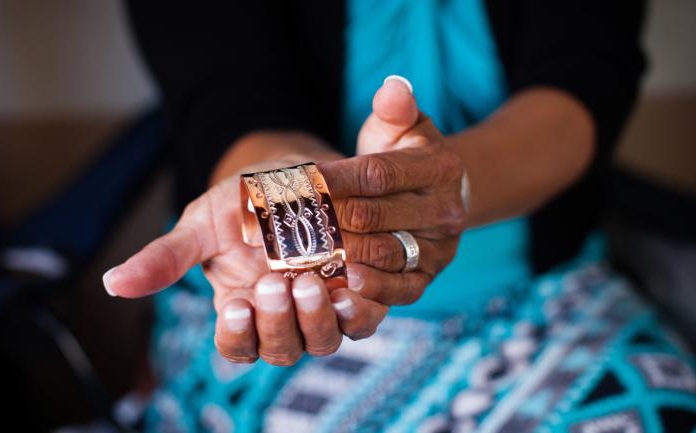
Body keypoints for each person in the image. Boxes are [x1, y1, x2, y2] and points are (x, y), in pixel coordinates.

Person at [105, 1, 696, 431]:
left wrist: (441, 191)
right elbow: (228, 99)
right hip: (265, 284)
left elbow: (580, 88)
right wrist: (291, 190)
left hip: (545, 290)